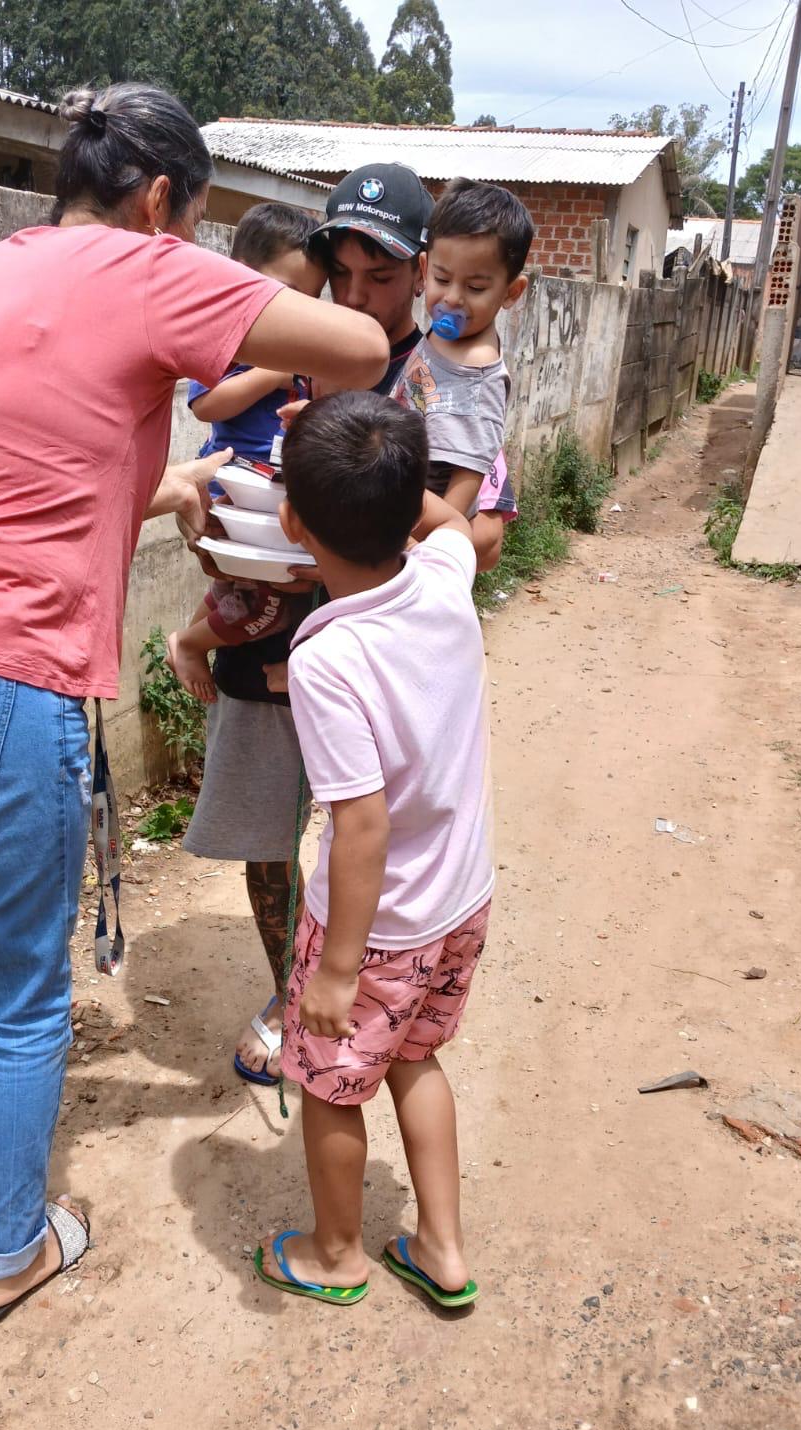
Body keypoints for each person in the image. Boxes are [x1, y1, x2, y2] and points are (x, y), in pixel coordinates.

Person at [0, 82, 387, 1326]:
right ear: (161, 199)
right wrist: (255, 333)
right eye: (197, 221)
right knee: (25, 997)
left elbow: (22, 474)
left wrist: (168, 481)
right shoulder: (147, 266)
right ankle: (5, 1251)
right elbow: (362, 350)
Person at [181, 163, 515, 1088]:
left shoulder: (450, 375)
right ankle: (288, 990)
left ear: (424, 272)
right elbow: (227, 462)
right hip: (271, 626)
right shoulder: (298, 351)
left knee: (373, 831)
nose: (358, 298)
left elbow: (485, 534)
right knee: (266, 830)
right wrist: (228, 526)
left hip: (378, 657)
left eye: (384, 276)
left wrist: (362, 526)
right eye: (342, 276)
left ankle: (368, 990)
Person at [252, 390, 490, 1310]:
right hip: (460, 901)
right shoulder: (445, 574)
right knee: (415, 1061)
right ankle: (442, 1248)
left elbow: (361, 826)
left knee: (330, 1086)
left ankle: (337, 1253)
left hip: (380, 929)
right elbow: (449, 523)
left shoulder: (328, 659)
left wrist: (338, 972)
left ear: (292, 524)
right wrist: (384, 448)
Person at [167, 203, 327, 703]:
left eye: (313, 299)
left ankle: (188, 641)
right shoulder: (233, 343)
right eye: (288, 293)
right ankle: (191, 643)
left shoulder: (304, 347)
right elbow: (206, 404)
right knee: (268, 606)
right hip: (236, 489)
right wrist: (272, 374)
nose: (302, 310)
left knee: (238, 593)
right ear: (240, 277)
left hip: (272, 496)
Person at [393, 179, 533, 517]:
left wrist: (433, 534)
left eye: (475, 287)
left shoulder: (478, 375)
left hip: (423, 520)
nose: (453, 298)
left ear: (511, 292)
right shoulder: (446, 338)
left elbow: (469, 472)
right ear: (424, 270)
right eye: (442, 280)